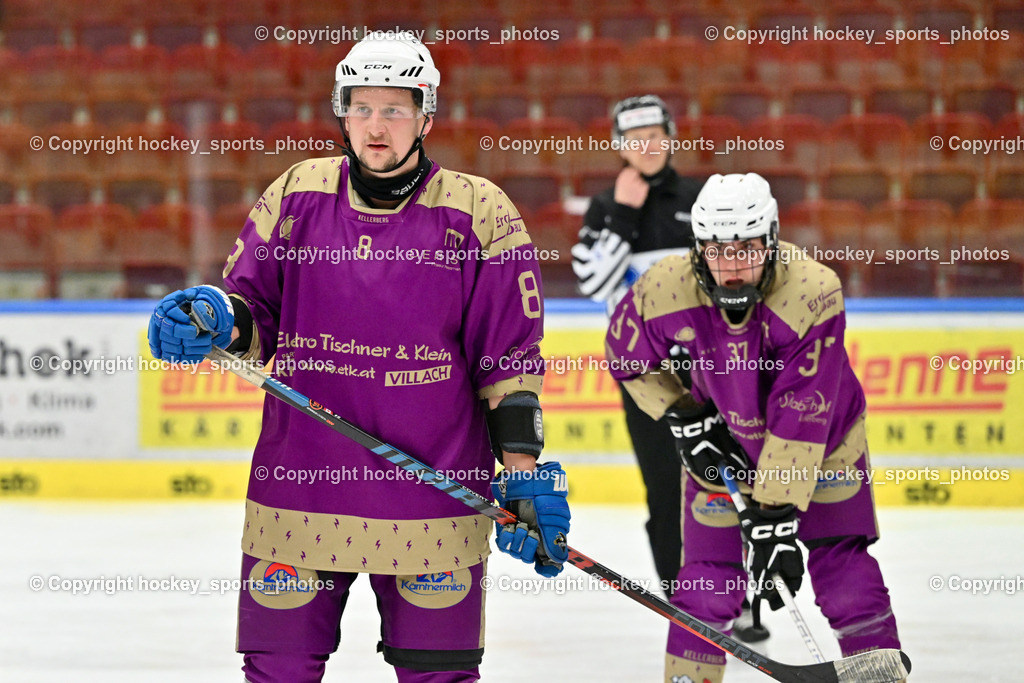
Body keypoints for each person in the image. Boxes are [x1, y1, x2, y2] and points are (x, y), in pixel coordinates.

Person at [146, 31, 570, 683]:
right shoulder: (297, 194)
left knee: (439, 676)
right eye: (362, 106)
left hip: (435, 496)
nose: (377, 125)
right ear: (341, 111)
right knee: (277, 671)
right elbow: (250, 308)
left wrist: (522, 473)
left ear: (426, 115)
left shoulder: (478, 211)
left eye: (395, 108)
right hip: (300, 493)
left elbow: (509, 359)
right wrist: (210, 315)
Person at [605, 173, 902, 683]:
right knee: (705, 584)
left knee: (841, 571)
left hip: (827, 448)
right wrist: (684, 417)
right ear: (698, 248)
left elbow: (803, 408)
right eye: (718, 250)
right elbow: (625, 355)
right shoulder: (664, 286)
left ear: (772, 239)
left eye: (747, 248)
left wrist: (775, 518)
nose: (733, 266)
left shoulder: (811, 291)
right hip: (723, 447)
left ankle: (877, 674)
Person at [571, 95, 702, 598]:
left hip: (710, 370)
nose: (647, 145)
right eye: (634, 137)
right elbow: (594, 282)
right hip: (643, 376)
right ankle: (685, 603)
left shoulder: (701, 198)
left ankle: (741, 603)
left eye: (655, 133)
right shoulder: (606, 206)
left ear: (671, 136)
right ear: (619, 145)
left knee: (721, 482)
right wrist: (625, 214)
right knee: (665, 489)